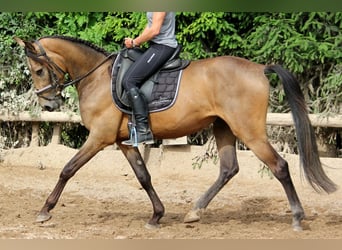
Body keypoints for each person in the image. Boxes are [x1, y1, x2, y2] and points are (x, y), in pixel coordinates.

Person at [121, 12, 178, 146]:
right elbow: (150, 26)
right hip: (156, 46)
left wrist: (135, 42)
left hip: (163, 46)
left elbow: (155, 30)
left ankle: (143, 131)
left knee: (129, 81)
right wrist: (135, 41)